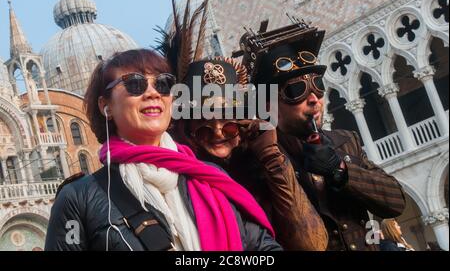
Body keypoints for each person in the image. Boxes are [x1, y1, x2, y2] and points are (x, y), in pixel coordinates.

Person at [44, 49, 281, 251]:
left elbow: (262, 248)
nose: (153, 92)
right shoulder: (78, 198)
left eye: (163, 83)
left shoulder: (211, 177)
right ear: (106, 106)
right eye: (135, 84)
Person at [237, 19, 407, 251]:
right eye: (296, 90)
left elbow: (396, 201)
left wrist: (340, 170)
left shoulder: (345, 141)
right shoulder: (257, 161)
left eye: (318, 86)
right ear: (268, 106)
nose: (314, 98)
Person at [170, 57, 328, 251]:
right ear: (188, 129)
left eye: (228, 122)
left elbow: (312, 244)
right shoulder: (187, 180)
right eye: (204, 125)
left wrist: (270, 156)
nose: (218, 131)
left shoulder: (268, 161)